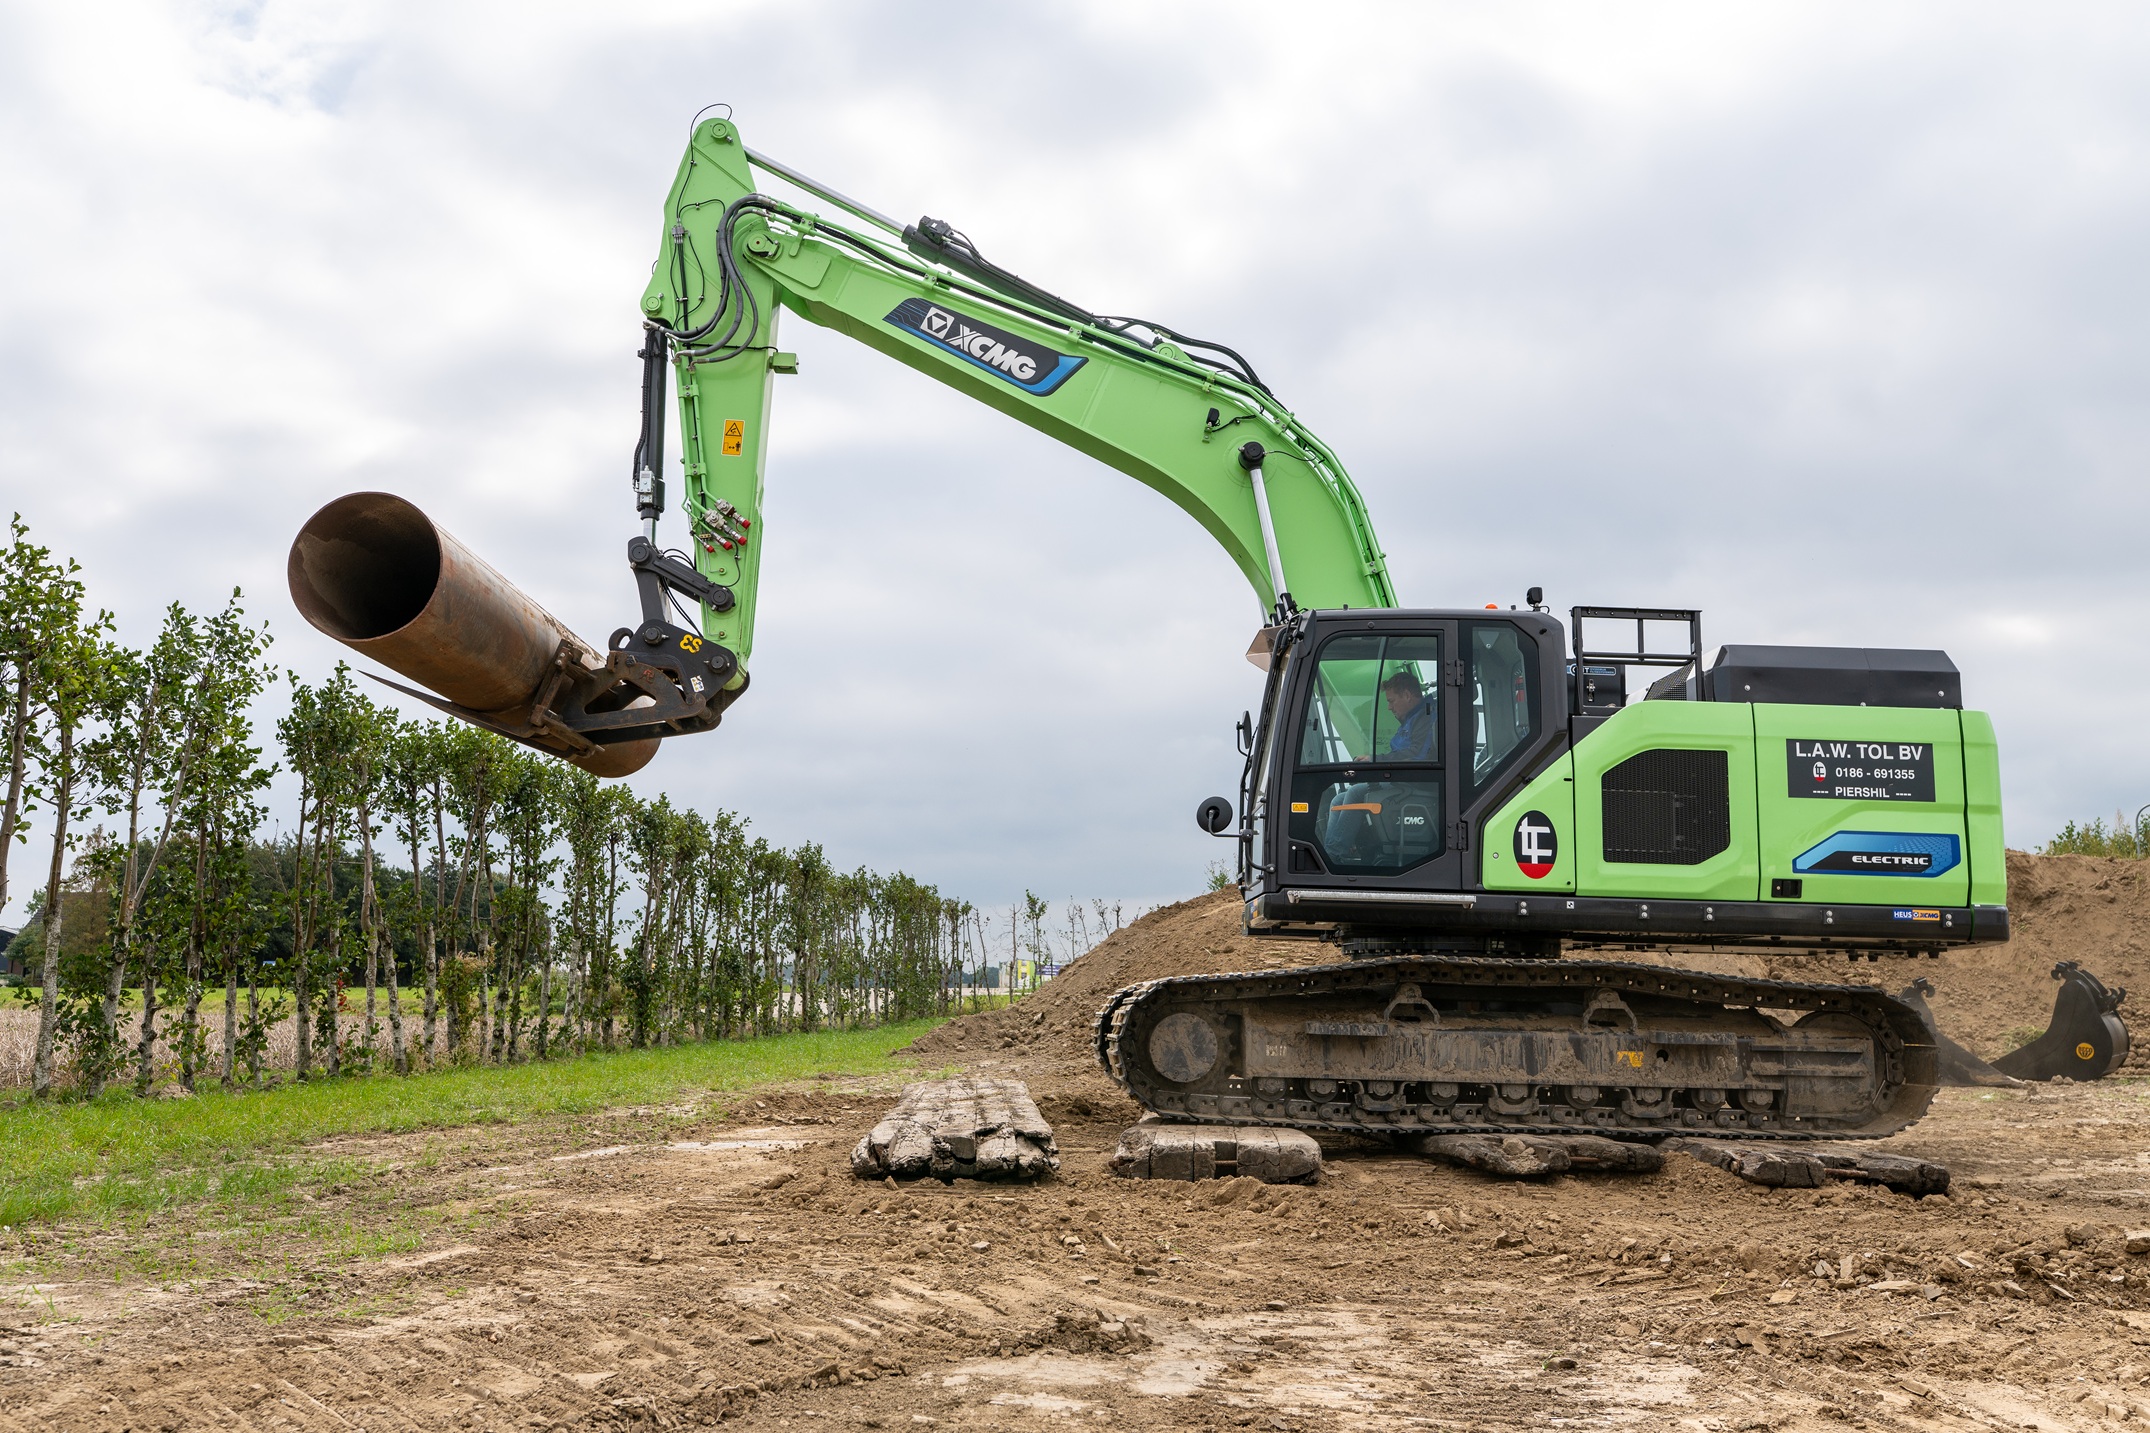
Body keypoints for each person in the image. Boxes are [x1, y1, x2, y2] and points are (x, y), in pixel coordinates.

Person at [1382, 669, 1436, 760]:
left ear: (1407, 696)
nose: (1389, 707)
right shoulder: (1411, 718)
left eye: (1391, 701)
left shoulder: (1427, 716)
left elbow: (1418, 755)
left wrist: (1377, 760)